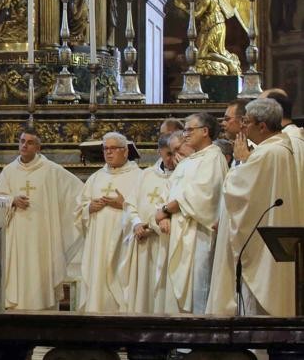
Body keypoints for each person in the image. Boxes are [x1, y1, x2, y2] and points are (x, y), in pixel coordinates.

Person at [222, 98, 303, 316]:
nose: (243, 127)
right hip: (274, 236)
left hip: (264, 244)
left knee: (259, 310)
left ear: (262, 126)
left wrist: (241, 162)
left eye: (246, 122)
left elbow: (238, 190)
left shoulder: (267, 153)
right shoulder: (281, 148)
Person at [0, 128, 83, 310]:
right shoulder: (9, 171)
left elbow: (78, 192)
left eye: (30, 142)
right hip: (17, 237)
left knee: (41, 271)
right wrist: (12, 200)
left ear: (38, 147)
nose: (24, 145)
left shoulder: (52, 171)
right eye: (22, 141)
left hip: (43, 237)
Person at [157, 113, 227, 314]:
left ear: (205, 131)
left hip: (199, 235)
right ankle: (178, 344)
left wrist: (165, 210)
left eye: (190, 130)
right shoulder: (190, 161)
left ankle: (198, 343)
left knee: (198, 290)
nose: (185, 134)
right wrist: (164, 213)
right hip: (179, 233)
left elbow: (203, 195)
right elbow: (170, 190)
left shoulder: (214, 157)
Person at [75, 132, 142, 313]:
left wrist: (123, 205)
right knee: (98, 282)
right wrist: (89, 207)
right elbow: (79, 207)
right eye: (105, 149)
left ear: (126, 151)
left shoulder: (139, 177)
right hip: (98, 244)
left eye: (113, 148)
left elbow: (145, 209)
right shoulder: (96, 177)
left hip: (123, 242)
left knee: (120, 284)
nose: (108, 152)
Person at [118, 134, 176, 313]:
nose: (172, 159)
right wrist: (136, 223)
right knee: (144, 292)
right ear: (159, 151)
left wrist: (153, 226)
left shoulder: (182, 175)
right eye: (168, 154)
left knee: (163, 293)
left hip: (166, 242)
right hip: (143, 243)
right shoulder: (146, 174)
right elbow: (130, 203)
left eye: (175, 153)